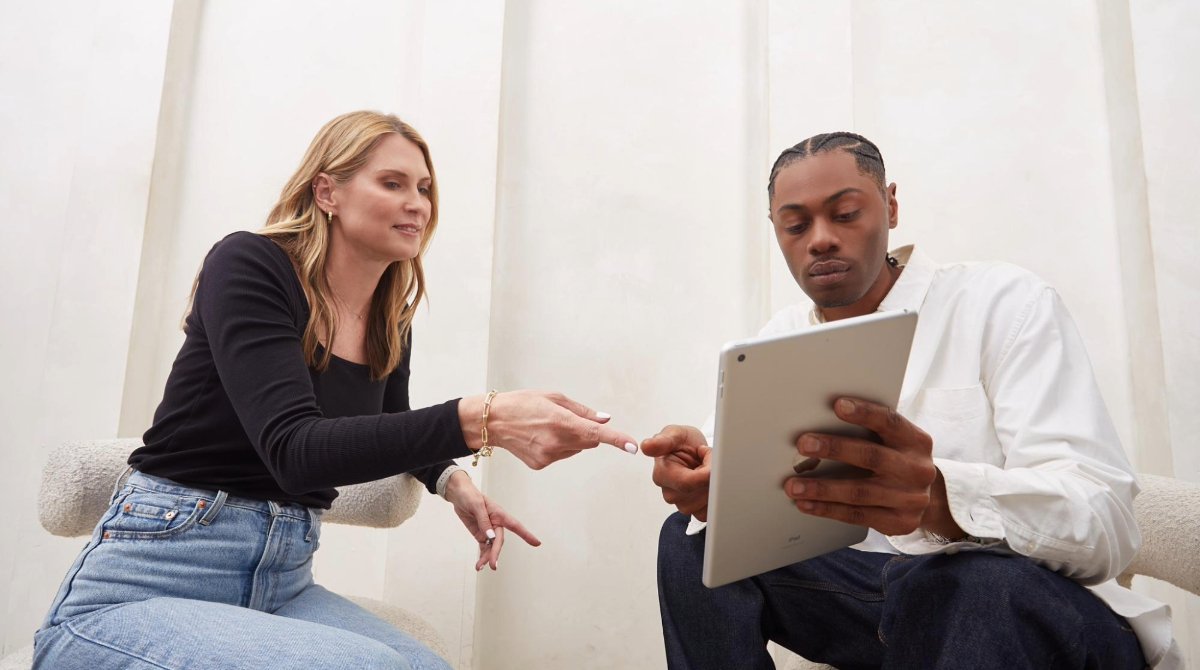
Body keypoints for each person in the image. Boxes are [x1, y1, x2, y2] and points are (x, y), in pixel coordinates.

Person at [34, 111, 640, 670]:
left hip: (283, 579)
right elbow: (296, 449)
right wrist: (487, 416)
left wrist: (451, 481)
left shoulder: (387, 315)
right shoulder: (249, 265)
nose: (417, 204)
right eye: (393, 183)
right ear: (327, 192)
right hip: (149, 583)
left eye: (424, 188)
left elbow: (393, 422)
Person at [646, 132, 1179, 668]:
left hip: (1033, 610)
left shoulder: (1003, 303)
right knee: (694, 542)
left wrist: (942, 498)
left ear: (891, 205)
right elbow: (726, 477)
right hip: (881, 604)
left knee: (971, 582)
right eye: (796, 225)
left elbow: (1108, 523)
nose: (821, 239)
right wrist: (707, 475)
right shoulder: (773, 344)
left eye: (847, 213)